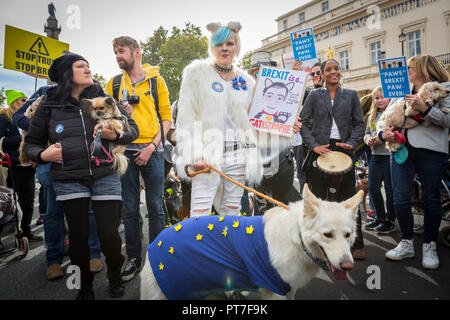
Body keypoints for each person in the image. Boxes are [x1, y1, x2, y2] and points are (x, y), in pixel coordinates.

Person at [23, 53, 139, 299]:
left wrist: (115, 136)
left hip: (105, 174)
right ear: (67, 73)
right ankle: (84, 287)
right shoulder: (48, 104)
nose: (88, 70)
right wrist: (43, 155)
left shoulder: (105, 99)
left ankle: (115, 276)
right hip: (68, 177)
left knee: (108, 234)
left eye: (88, 65)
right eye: (80, 66)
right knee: (78, 237)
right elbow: (30, 144)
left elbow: (133, 131)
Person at [13, 73, 104, 280]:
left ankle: (93, 253)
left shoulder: (89, 95)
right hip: (51, 162)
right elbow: (19, 117)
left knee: (88, 208)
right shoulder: (44, 93)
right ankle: (53, 260)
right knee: (54, 211)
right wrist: (47, 130)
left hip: (83, 162)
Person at [175, 21, 263, 218]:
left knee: (232, 212)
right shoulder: (196, 72)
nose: (224, 48)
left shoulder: (247, 81)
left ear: (237, 47)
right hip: (207, 154)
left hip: (238, 154)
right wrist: (195, 153)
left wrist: (286, 128)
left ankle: (226, 250)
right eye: (219, 44)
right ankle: (199, 250)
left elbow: (257, 120)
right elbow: (186, 117)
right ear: (212, 47)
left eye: (230, 44)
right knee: (199, 213)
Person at [105, 36, 171, 282]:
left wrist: (151, 147)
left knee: (155, 207)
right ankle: (133, 258)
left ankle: (157, 257)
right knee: (130, 209)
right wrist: (121, 115)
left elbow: (166, 118)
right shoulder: (112, 84)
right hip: (124, 151)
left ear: (136, 52)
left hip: (152, 150)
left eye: (121, 51)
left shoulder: (156, 81)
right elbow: (104, 117)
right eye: (115, 52)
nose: (118, 56)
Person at [380, 55, 450, 269]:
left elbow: (448, 120)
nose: (406, 70)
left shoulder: (444, 89)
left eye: (409, 67)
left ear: (421, 68)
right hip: (400, 150)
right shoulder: (399, 89)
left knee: (431, 199)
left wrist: (425, 108)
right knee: (400, 199)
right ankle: (406, 242)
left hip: (431, 151)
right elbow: (383, 119)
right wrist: (384, 135)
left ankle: (429, 245)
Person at [300, 58, 366, 259]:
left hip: (344, 150)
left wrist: (352, 142)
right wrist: (314, 145)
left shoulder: (352, 95)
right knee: (318, 200)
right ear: (322, 74)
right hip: (321, 150)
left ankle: (357, 244)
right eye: (328, 69)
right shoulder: (313, 96)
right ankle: (314, 244)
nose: (333, 72)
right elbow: (301, 122)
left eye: (336, 68)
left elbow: (359, 123)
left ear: (341, 72)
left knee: (349, 199)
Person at [246, 53, 301, 213]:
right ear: (252, 75)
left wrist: (293, 126)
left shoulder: (281, 96)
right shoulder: (245, 97)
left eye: (266, 72)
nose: (261, 76)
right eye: (257, 73)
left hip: (281, 159)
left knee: (288, 204)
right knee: (264, 209)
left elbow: (292, 108)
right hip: (258, 158)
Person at [0, 90, 41, 242]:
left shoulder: (28, 117)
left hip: (29, 165)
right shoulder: (4, 118)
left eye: (27, 99)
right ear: (14, 101)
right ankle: (12, 232)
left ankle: (26, 231)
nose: (26, 102)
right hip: (12, 166)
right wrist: (22, 138)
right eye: (23, 99)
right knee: (9, 201)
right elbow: (2, 141)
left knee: (29, 200)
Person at [363, 86, 395, 234]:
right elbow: (367, 133)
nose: (380, 100)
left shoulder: (393, 113)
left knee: (389, 189)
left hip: (390, 155)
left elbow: (393, 133)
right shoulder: (372, 115)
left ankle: (390, 220)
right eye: (377, 97)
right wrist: (368, 140)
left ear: (389, 98)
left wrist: (380, 139)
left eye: (382, 97)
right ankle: (380, 217)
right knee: (372, 188)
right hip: (375, 156)